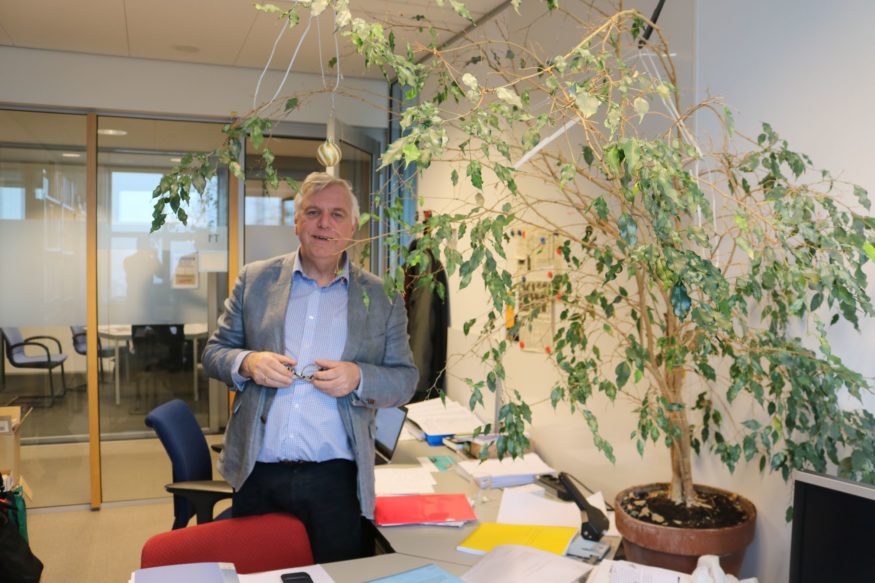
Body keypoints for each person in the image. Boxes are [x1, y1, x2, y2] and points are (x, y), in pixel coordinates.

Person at [201, 172, 418, 563]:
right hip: (258, 471)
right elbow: (214, 353)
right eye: (314, 212)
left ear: (353, 227)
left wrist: (359, 377)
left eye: (337, 214)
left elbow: (405, 380)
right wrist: (248, 362)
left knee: (336, 575)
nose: (324, 223)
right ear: (296, 222)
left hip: (336, 480)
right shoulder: (255, 280)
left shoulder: (382, 297)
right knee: (259, 574)